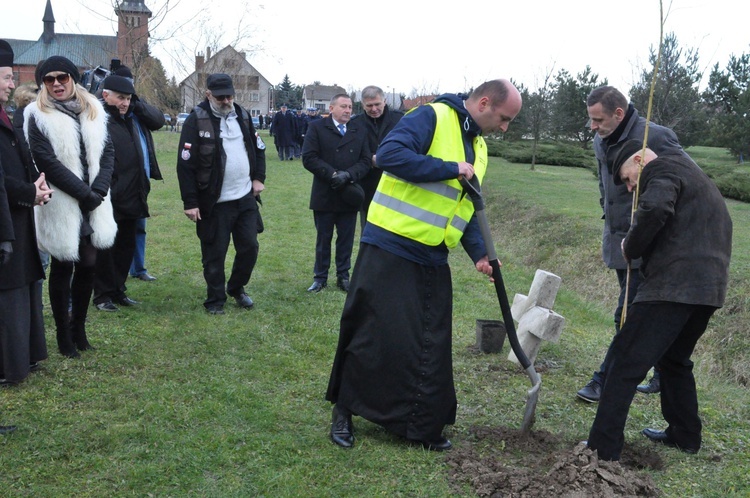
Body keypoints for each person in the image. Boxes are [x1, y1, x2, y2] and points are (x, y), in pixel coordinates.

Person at [325, 79, 522, 450]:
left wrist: (478, 251)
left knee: (427, 343)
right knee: (370, 332)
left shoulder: (478, 148)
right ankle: (345, 410)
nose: (505, 127)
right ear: (483, 103)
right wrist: (450, 167)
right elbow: (389, 157)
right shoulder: (432, 116)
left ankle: (416, 423)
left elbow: (463, 206)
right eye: (504, 118)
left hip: (431, 254)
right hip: (389, 244)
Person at [586, 139, 732, 461]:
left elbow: (656, 208)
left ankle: (601, 448)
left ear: (639, 159)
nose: (629, 187)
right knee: (674, 359)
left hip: (674, 285)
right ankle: (685, 435)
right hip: (709, 289)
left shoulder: (662, 168)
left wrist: (631, 245)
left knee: (624, 360)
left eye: (626, 177)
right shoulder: (696, 177)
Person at [576, 85, 694, 402]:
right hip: (618, 241)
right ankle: (660, 371)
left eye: (598, 120)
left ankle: (605, 380)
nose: (593, 127)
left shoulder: (656, 137)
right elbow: (605, 187)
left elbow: (687, 181)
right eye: (591, 120)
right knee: (638, 313)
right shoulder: (600, 140)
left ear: (619, 112)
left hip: (648, 242)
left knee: (627, 314)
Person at [25, 55, 116, 357]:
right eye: (48, 79)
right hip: (62, 201)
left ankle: (80, 327)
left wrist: (98, 190)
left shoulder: (94, 110)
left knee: (89, 265)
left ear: (72, 79)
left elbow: (107, 152)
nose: (55, 84)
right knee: (64, 264)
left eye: (61, 77)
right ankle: (63, 334)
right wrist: (83, 193)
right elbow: (45, 161)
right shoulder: (36, 115)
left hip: (94, 199)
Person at [176, 73, 266, 315]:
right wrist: (191, 202)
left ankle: (236, 288)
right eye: (220, 97)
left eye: (229, 96)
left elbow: (258, 149)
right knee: (214, 254)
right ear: (208, 95)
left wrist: (258, 178)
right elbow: (185, 166)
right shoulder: (197, 120)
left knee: (249, 248)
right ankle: (215, 300)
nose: (226, 101)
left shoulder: (244, 116)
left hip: (245, 198)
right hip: (214, 203)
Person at [0, 40, 50, 385]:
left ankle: (25, 357)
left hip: (17, 214)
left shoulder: (6, 115)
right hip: (8, 214)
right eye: (5, 77)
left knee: (24, 283)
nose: (10, 84)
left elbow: (20, 154)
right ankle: (8, 366)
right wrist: (27, 192)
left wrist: (37, 184)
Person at [92, 71, 164, 311]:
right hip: (109, 197)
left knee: (126, 247)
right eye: (120, 98)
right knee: (106, 249)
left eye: (128, 98)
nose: (124, 103)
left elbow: (156, 121)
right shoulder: (97, 121)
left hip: (134, 194)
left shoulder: (131, 118)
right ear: (106, 95)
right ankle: (102, 295)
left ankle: (118, 289)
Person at [302, 94, 371, 293]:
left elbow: (366, 160)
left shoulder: (359, 130)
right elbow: (309, 158)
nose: (348, 110)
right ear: (331, 108)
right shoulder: (317, 127)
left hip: (349, 194)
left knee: (346, 239)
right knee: (323, 238)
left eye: (350, 107)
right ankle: (320, 277)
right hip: (325, 192)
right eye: (343, 106)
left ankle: (343, 276)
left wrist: (348, 175)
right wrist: (332, 175)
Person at [349, 85, 403, 228]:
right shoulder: (354, 124)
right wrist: (370, 158)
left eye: (377, 104)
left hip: (396, 181)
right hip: (367, 182)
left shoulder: (400, 120)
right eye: (369, 105)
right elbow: (351, 150)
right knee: (368, 225)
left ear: (384, 101)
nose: (374, 109)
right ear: (362, 105)